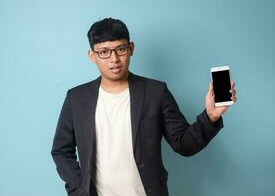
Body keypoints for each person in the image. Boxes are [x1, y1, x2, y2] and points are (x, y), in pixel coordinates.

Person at [51, 18, 237, 196]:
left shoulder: (156, 92)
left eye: (120, 49)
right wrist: (79, 189)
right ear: (92, 56)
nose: (114, 59)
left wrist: (210, 116)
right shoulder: (77, 98)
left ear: (131, 48)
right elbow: (61, 150)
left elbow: (183, 144)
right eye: (104, 52)